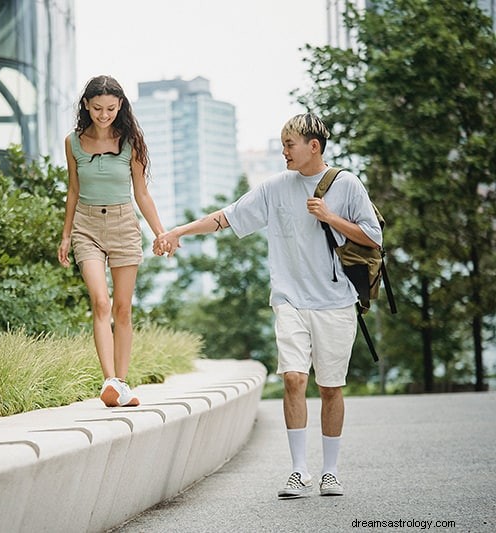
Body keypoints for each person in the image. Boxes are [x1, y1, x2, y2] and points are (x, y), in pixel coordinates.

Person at [153, 113, 381, 498]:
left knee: (330, 388)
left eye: (289, 144)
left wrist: (330, 217)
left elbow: (372, 238)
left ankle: (330, 471)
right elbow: (226, 217)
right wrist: (178, 231)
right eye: (282, 144)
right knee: (293, 378)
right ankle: (298, 470)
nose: (283, 151)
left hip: (336, 302)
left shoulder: (347, 185)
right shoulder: (275, 188)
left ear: (314, 146)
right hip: (289, 299)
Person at [57, 75, 167, 408]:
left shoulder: (130, 142)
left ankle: (122, 384)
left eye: (110, 108)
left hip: (123, 225)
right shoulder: (73, 142)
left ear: (120, 107)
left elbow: (142, 193)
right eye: (97, 108)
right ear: (86, 106)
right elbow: (73, 190)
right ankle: (109, 381)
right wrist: (65, 235)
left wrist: (161, 232)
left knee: (122, 309)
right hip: (86, 227)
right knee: (100, 303)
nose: (103, 115)